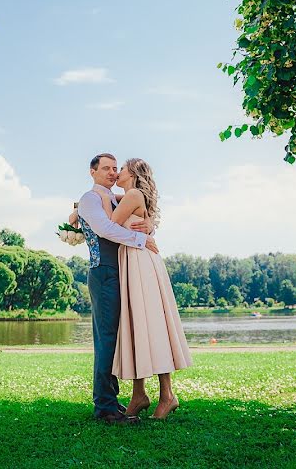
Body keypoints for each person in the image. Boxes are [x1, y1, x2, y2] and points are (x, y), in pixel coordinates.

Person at [95, 158, 192, 419]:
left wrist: (93, 200)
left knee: (149, 324)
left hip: (139, 262)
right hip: (134, 260)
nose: (117, 173)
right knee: (138, 325)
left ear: (133, 173)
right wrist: (78, 208)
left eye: (121, 169)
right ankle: (139, 394)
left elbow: (108, 224)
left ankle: (167, 395)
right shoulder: (130, 195)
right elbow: (114, 202)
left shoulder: (133, 194)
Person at [70, 153, 158, 424]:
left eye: (115, 168)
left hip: (122, 273)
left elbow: (138, 203)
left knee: (117, 339)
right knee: (107, 339)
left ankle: (112, 400)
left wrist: (150, 224)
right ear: (92, 171)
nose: (111, 172)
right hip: (104, 273)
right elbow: (106, 229)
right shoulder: (90, 199)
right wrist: (140, 239)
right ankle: (105, 408)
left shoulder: (112, 198)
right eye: (106, 168)